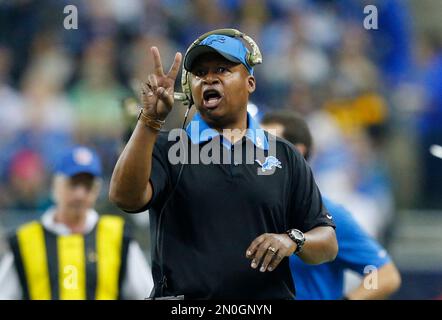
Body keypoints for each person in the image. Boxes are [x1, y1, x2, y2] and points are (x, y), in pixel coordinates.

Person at [109, 29, 338, 299]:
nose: (209, 78)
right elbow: (125, 198)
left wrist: (293, 240)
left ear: (250, 83)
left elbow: (327, 243)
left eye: (222, 69)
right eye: (200, 73)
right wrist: (149, 119)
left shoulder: (284, 155)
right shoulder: (166, 147)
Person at [261, 110, 401, 300]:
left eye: (267, 145)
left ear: (297, 152)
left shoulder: (329, 215)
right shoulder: (246, 210)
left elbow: (383, 274)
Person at [0, 146, 153, 300]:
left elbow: (145, 293)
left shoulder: (118, 237)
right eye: (73, 184)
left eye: (87, 186)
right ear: (56, 186)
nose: (80, 194)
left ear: (96, 190)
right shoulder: (24, 241)